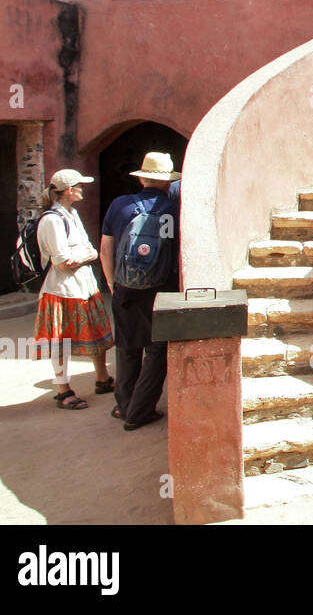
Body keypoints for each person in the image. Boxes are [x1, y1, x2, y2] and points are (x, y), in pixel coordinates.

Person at [100, 152, 182, 431]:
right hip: (162, 289)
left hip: (125, 286)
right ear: (167, 182)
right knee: (157, 350)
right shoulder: (173, 210)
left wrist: (113, 283)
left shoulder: (119, 206)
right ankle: (140, 411)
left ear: (143, 177)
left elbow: (105, 249)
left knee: (127, 347)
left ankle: (124, 406)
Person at [32, 169, 114, 410]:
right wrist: (86, 256)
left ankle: (102, 379)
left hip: (83, 286)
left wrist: (84, 255)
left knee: (97, 332)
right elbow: (62, 261)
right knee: (60, 342)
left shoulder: (71, 215)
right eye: (79, 186)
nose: (82, 189)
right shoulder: (52, 220)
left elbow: (88, 250)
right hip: (63, 290)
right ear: (69, 190)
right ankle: (63, 389)